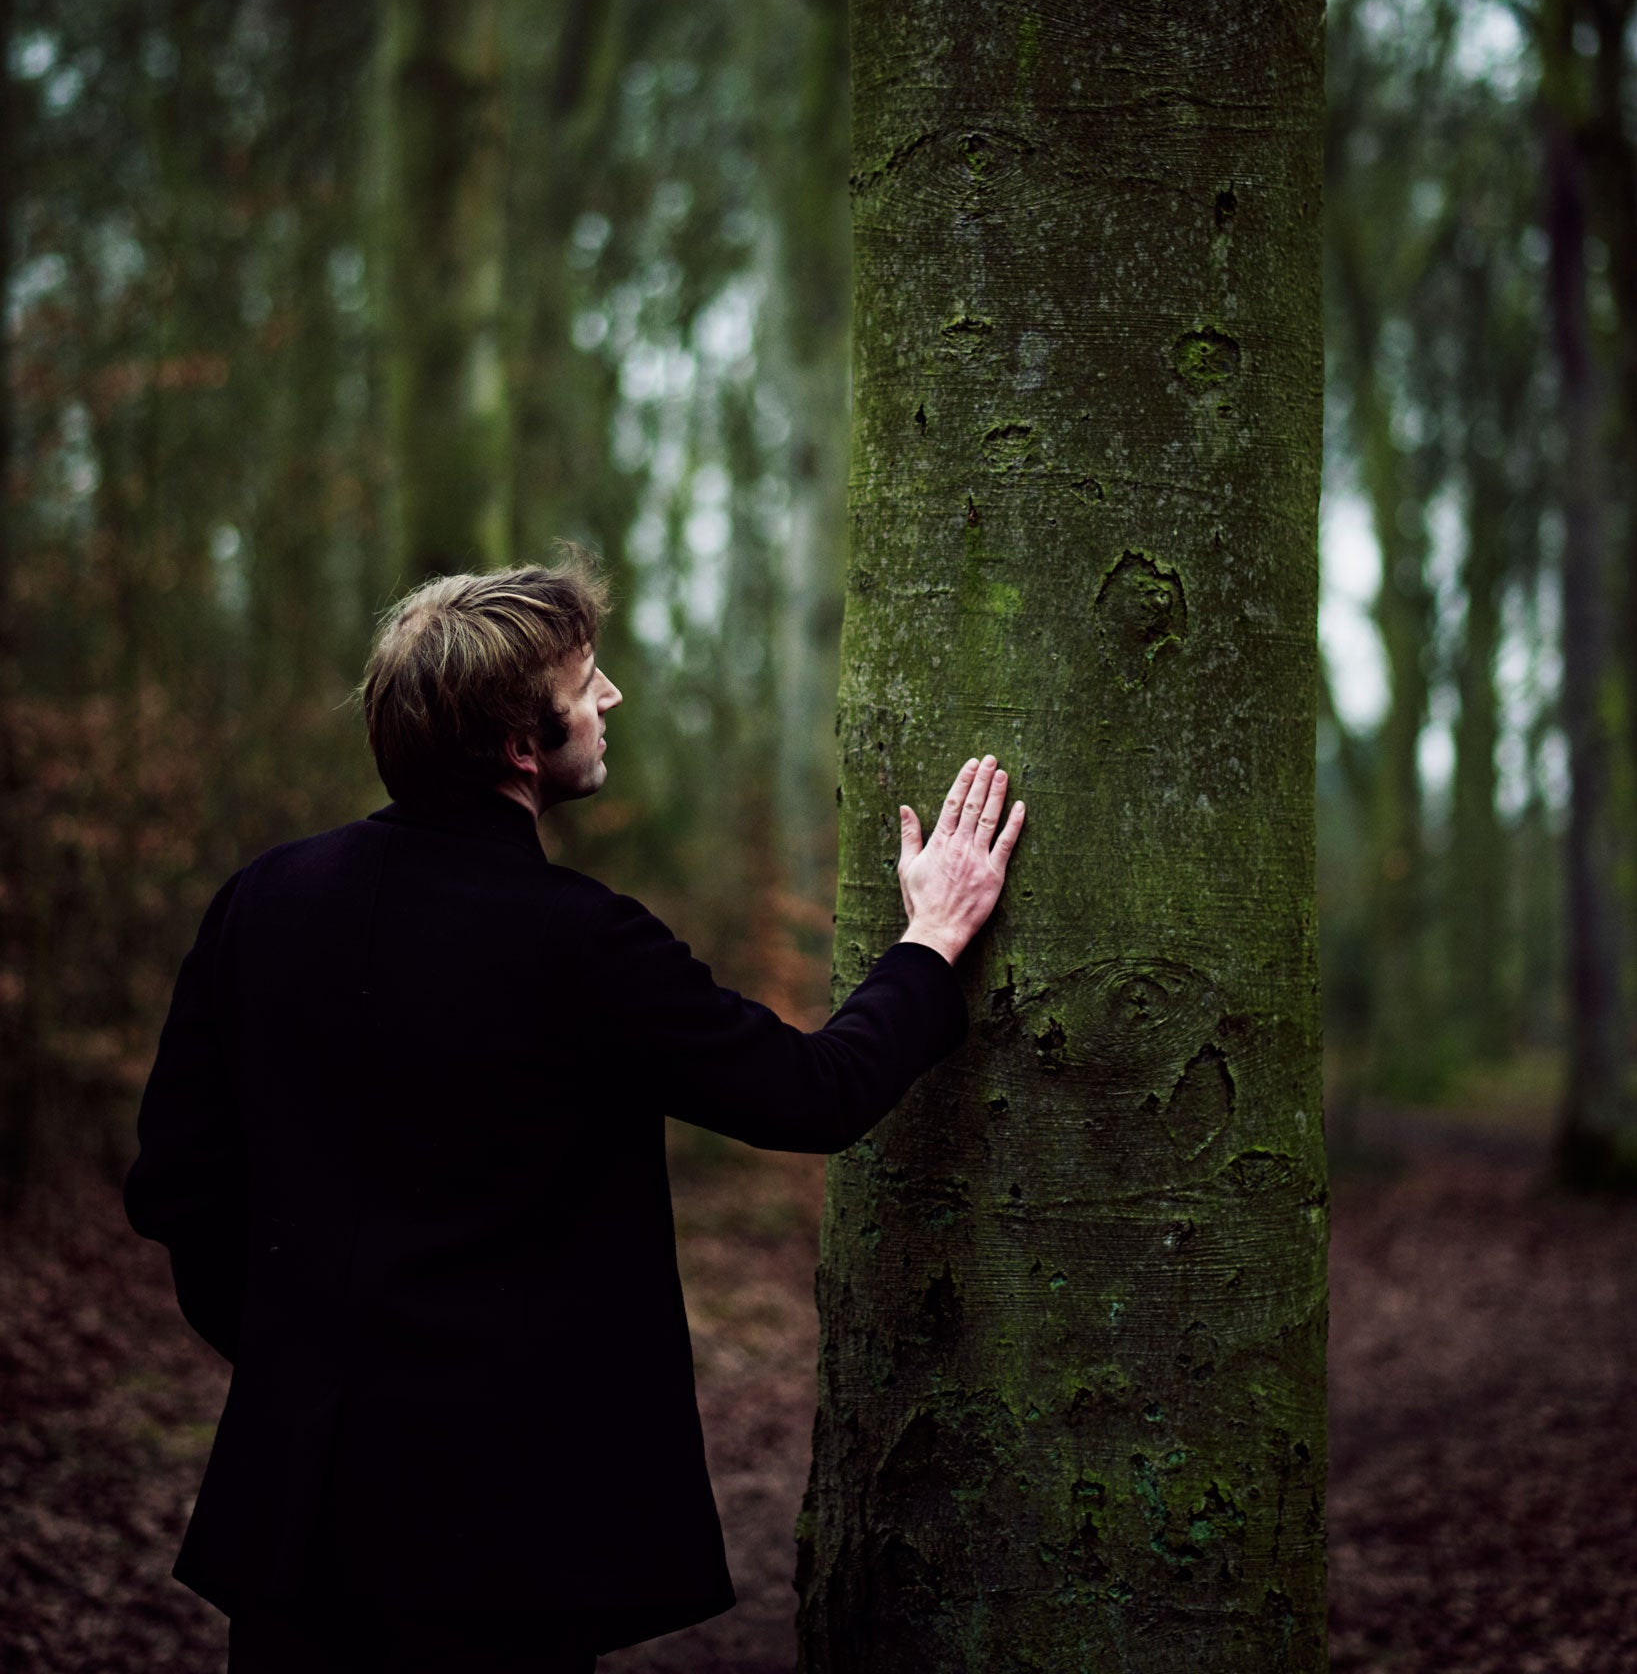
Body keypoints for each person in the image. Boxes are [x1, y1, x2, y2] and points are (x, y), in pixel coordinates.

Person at [125, 554, 1026, 1673]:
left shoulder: (262, 899)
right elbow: (812, 1093)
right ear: (519, 745)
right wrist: (931, 939)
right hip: (506, 1530)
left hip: (295, 1510)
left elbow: (177, 1183)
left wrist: (289, 1359)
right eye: (585, 681)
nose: (610, 698)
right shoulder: (582, 940)